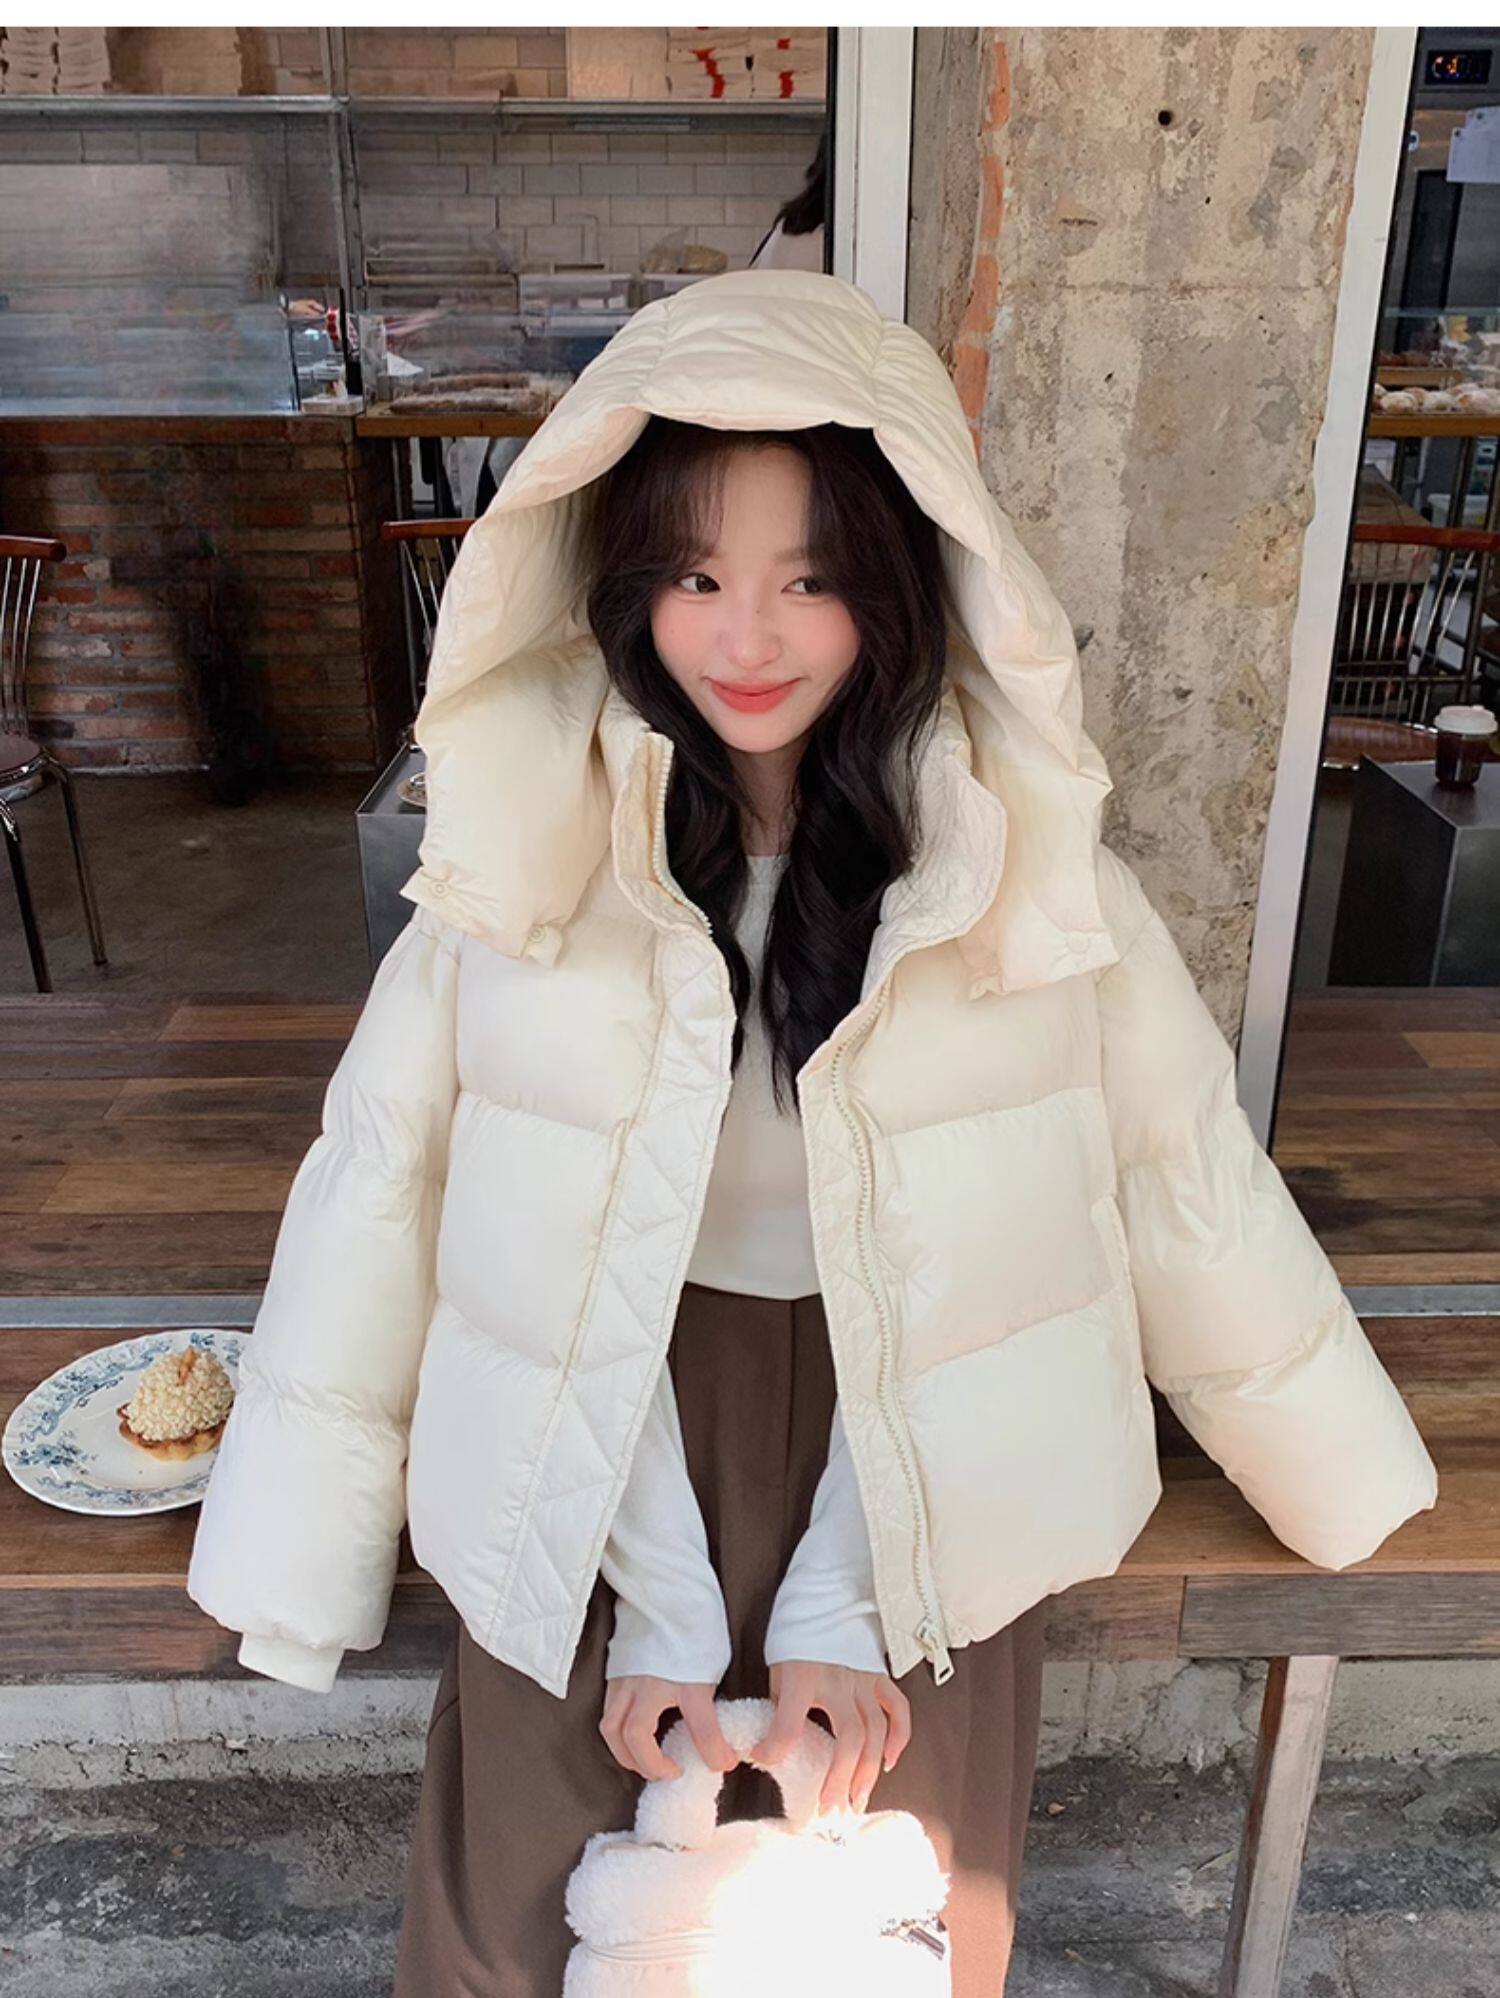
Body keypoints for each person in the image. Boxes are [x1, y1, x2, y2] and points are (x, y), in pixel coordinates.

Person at [185, 268, 1439, 1997]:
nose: (748, 638)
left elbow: (1175, 1178)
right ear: (621, 581)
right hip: (596, 1427)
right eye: (696, 575)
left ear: (903, 582)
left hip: (927, 1430)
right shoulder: (522, 858)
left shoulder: (1020, 869)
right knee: (517, 1922)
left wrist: (1327, 1473)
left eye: (810, 578)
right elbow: (397, 1194)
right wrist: (634, 1591)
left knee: (884, 1912)